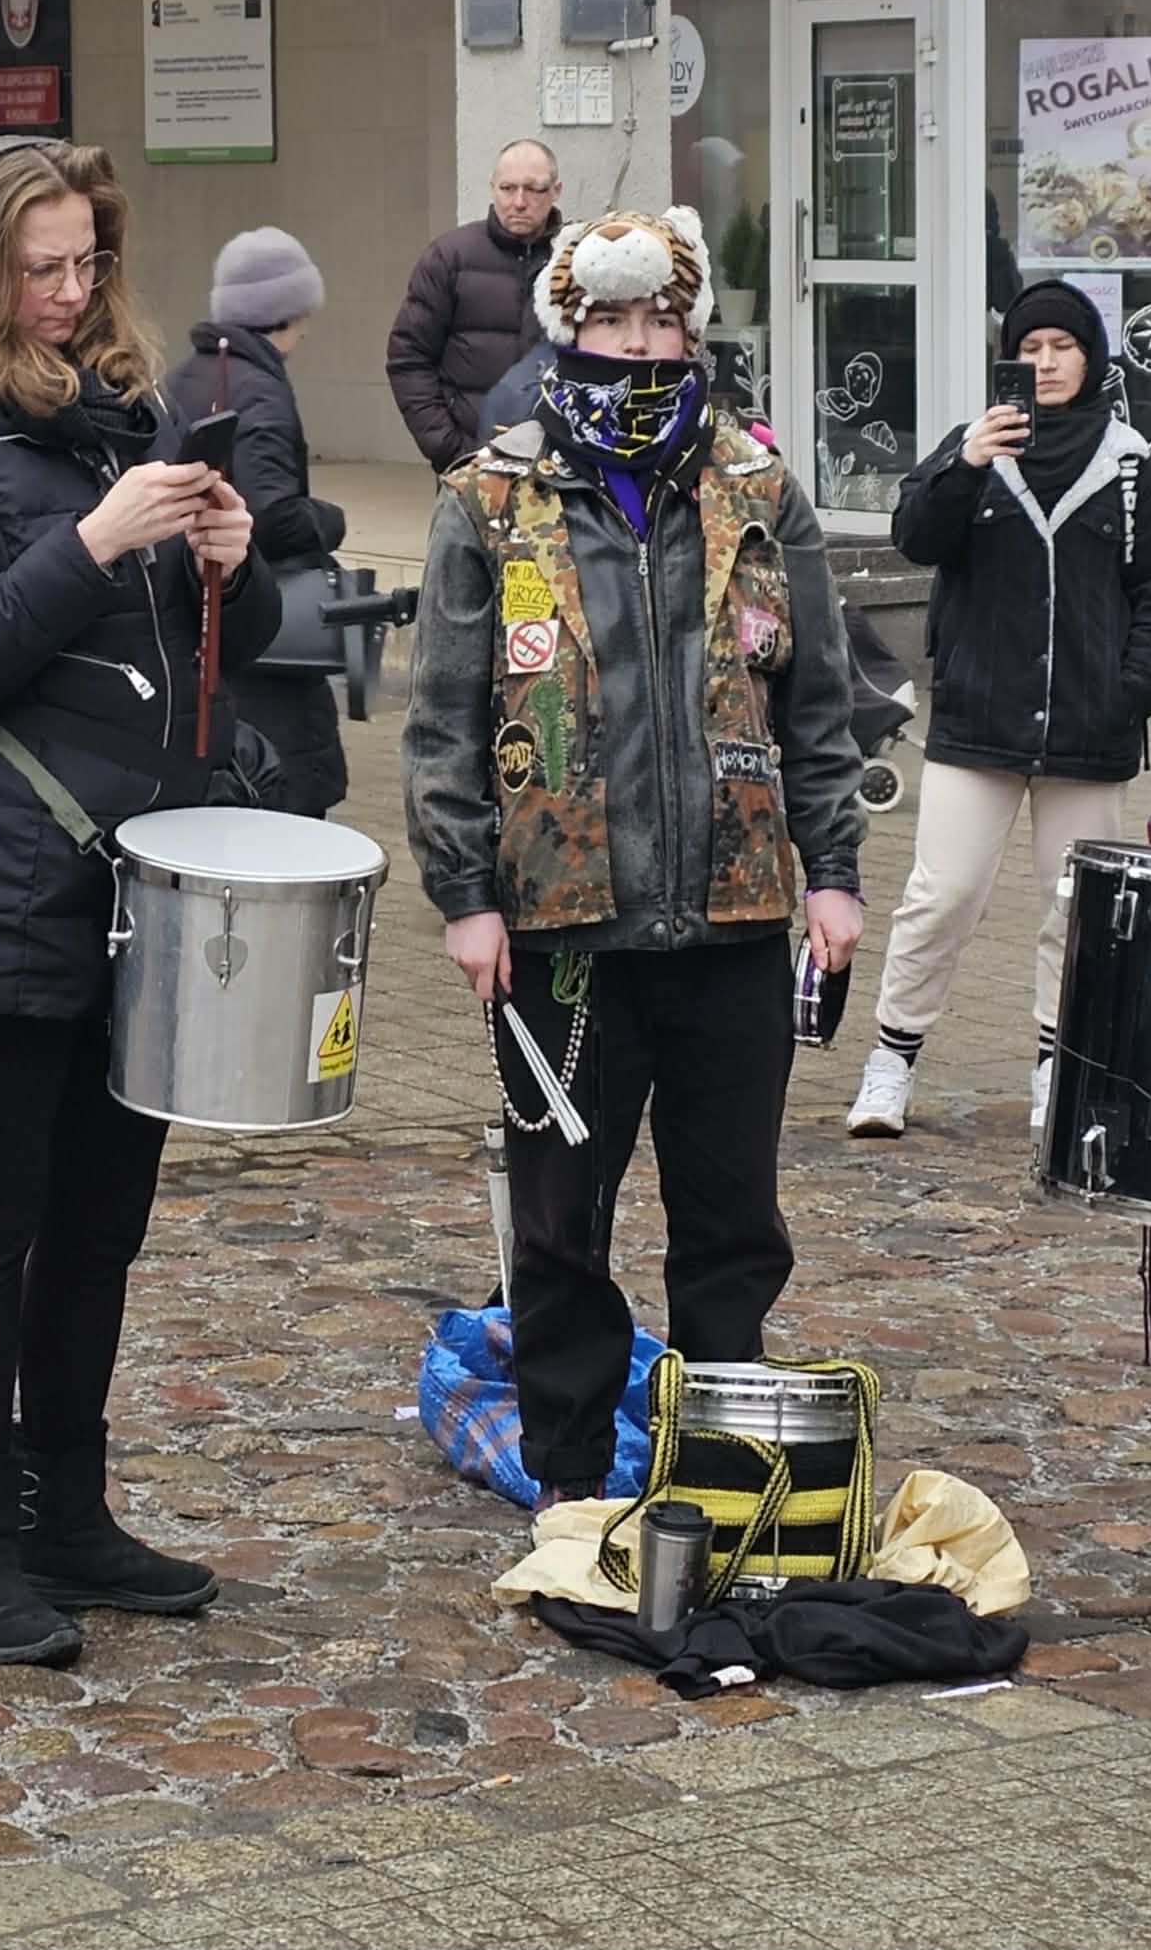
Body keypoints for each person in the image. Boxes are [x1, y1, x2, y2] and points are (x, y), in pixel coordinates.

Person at [0, 137, 277, 1669]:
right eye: (40, 269)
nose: (72, 294)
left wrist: (233, 557)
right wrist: (94, 545)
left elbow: (230, 636)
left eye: (89, 262)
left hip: (141, 883)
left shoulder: (122, 418)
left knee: (103, 1227)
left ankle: (70, 1511)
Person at [402, 207, 873, 1507]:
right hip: (560, 933)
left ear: (692, 322)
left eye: (661, 316)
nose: (638, 342)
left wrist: (831, 873)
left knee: (733, 1226)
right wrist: (464, 896)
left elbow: (819, 706)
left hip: (733, 918)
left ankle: (722, 1470)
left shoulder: (758, 485)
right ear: (567, 327)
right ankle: (569, 1486)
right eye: (610, 319)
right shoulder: (493, 494)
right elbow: (443, 717)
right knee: (561, 1226)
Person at [843, 282, 1151, 1140]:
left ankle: (1054, 1067)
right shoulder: (974, 446)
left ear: (1090, 359)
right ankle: (891, 1059)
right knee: (942, 894)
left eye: (1060, 349)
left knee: (1073, 905)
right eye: (1029, 350)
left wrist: (1131, 690)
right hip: (979, 723)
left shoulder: (1129, 464)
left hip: (1089, 730)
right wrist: (966, 466)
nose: (1043, 364)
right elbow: (916, 537)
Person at [167, 227, 350, 817]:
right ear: (289, 310)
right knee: (286, 786)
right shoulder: (261, 390)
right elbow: (272, 517)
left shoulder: (186, 375)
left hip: (198, 624)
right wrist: (330, 522)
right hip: (263, 638)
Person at [387, 139, 564, 468]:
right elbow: (409, 357)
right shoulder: (449, 257)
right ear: (492, 188)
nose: (519, 202)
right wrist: (449, 449)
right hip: (469, 461)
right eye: (507, 188)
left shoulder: (577, 261)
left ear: (556, 191)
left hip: (559, 465)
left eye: (534, 190)